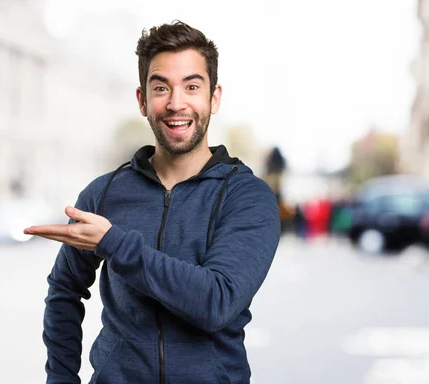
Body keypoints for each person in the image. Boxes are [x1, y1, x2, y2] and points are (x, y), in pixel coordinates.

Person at [25, 20, 281, 384]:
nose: (177, 104)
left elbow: (216, 302)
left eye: (192, 86)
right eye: (161, 88)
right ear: (143, 100)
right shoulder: (104, 193)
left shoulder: (247, 197)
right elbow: (64, 290)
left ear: (214, 97)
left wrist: (113, 243)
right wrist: (61, 378)